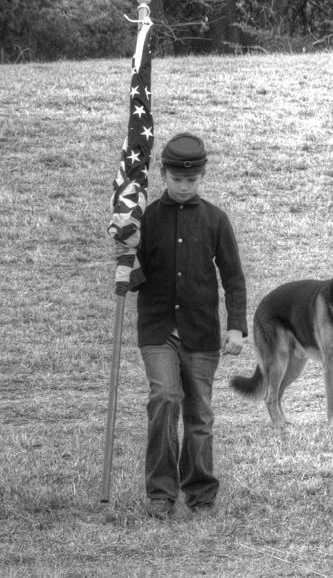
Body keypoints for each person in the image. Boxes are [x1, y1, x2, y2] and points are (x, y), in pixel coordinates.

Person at [132, 132, 248, 519]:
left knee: (199, 413)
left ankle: (201, 495)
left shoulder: (216, 220)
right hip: (158, 329)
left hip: (201, 334)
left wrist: (235, 327)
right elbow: (134, 277)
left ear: (202, 177)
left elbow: (233, 277)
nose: (184, 187)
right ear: (163, 174)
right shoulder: (145, 219)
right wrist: (124, 255)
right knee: (165, 399)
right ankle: (161, 494)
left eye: (191, 180)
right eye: (177, 179)